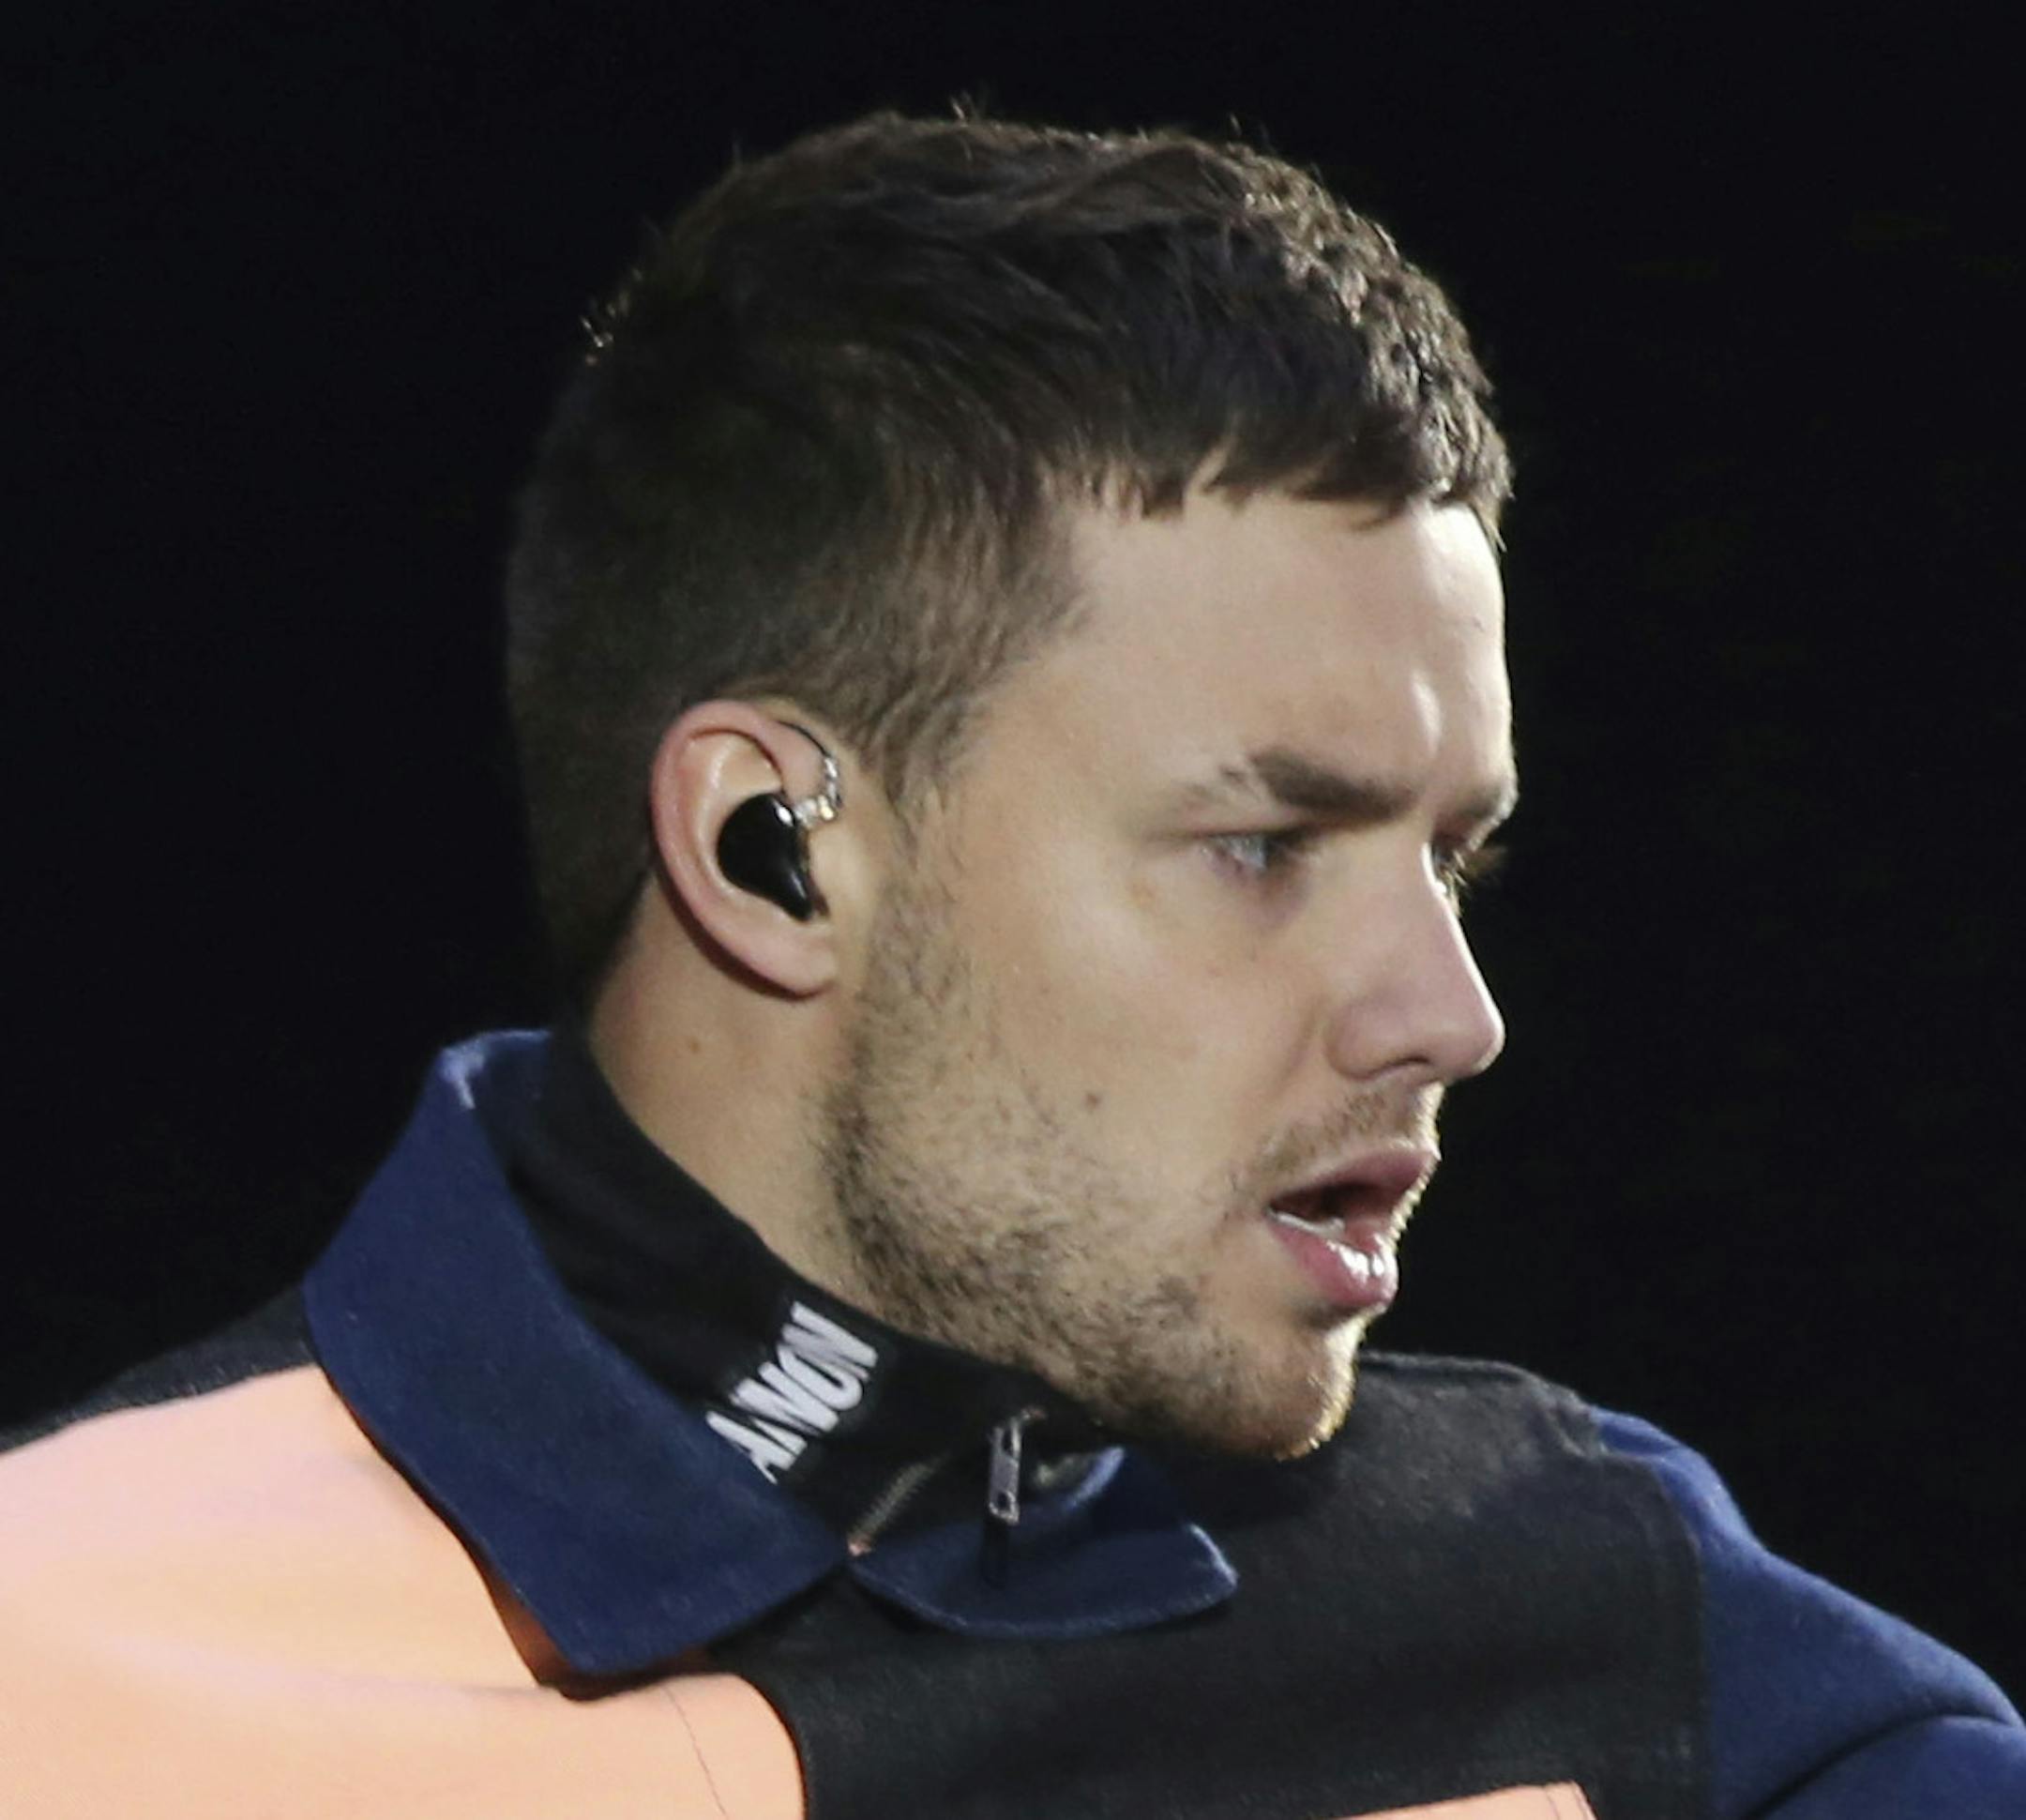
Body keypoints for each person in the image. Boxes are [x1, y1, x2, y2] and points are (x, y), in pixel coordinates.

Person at [1, 111, 2019, 1820]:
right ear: (776, 851)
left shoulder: (1601, 1614)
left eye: (1451, 857)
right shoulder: (60, 1669)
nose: (1452, 1015)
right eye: (1262, 847)